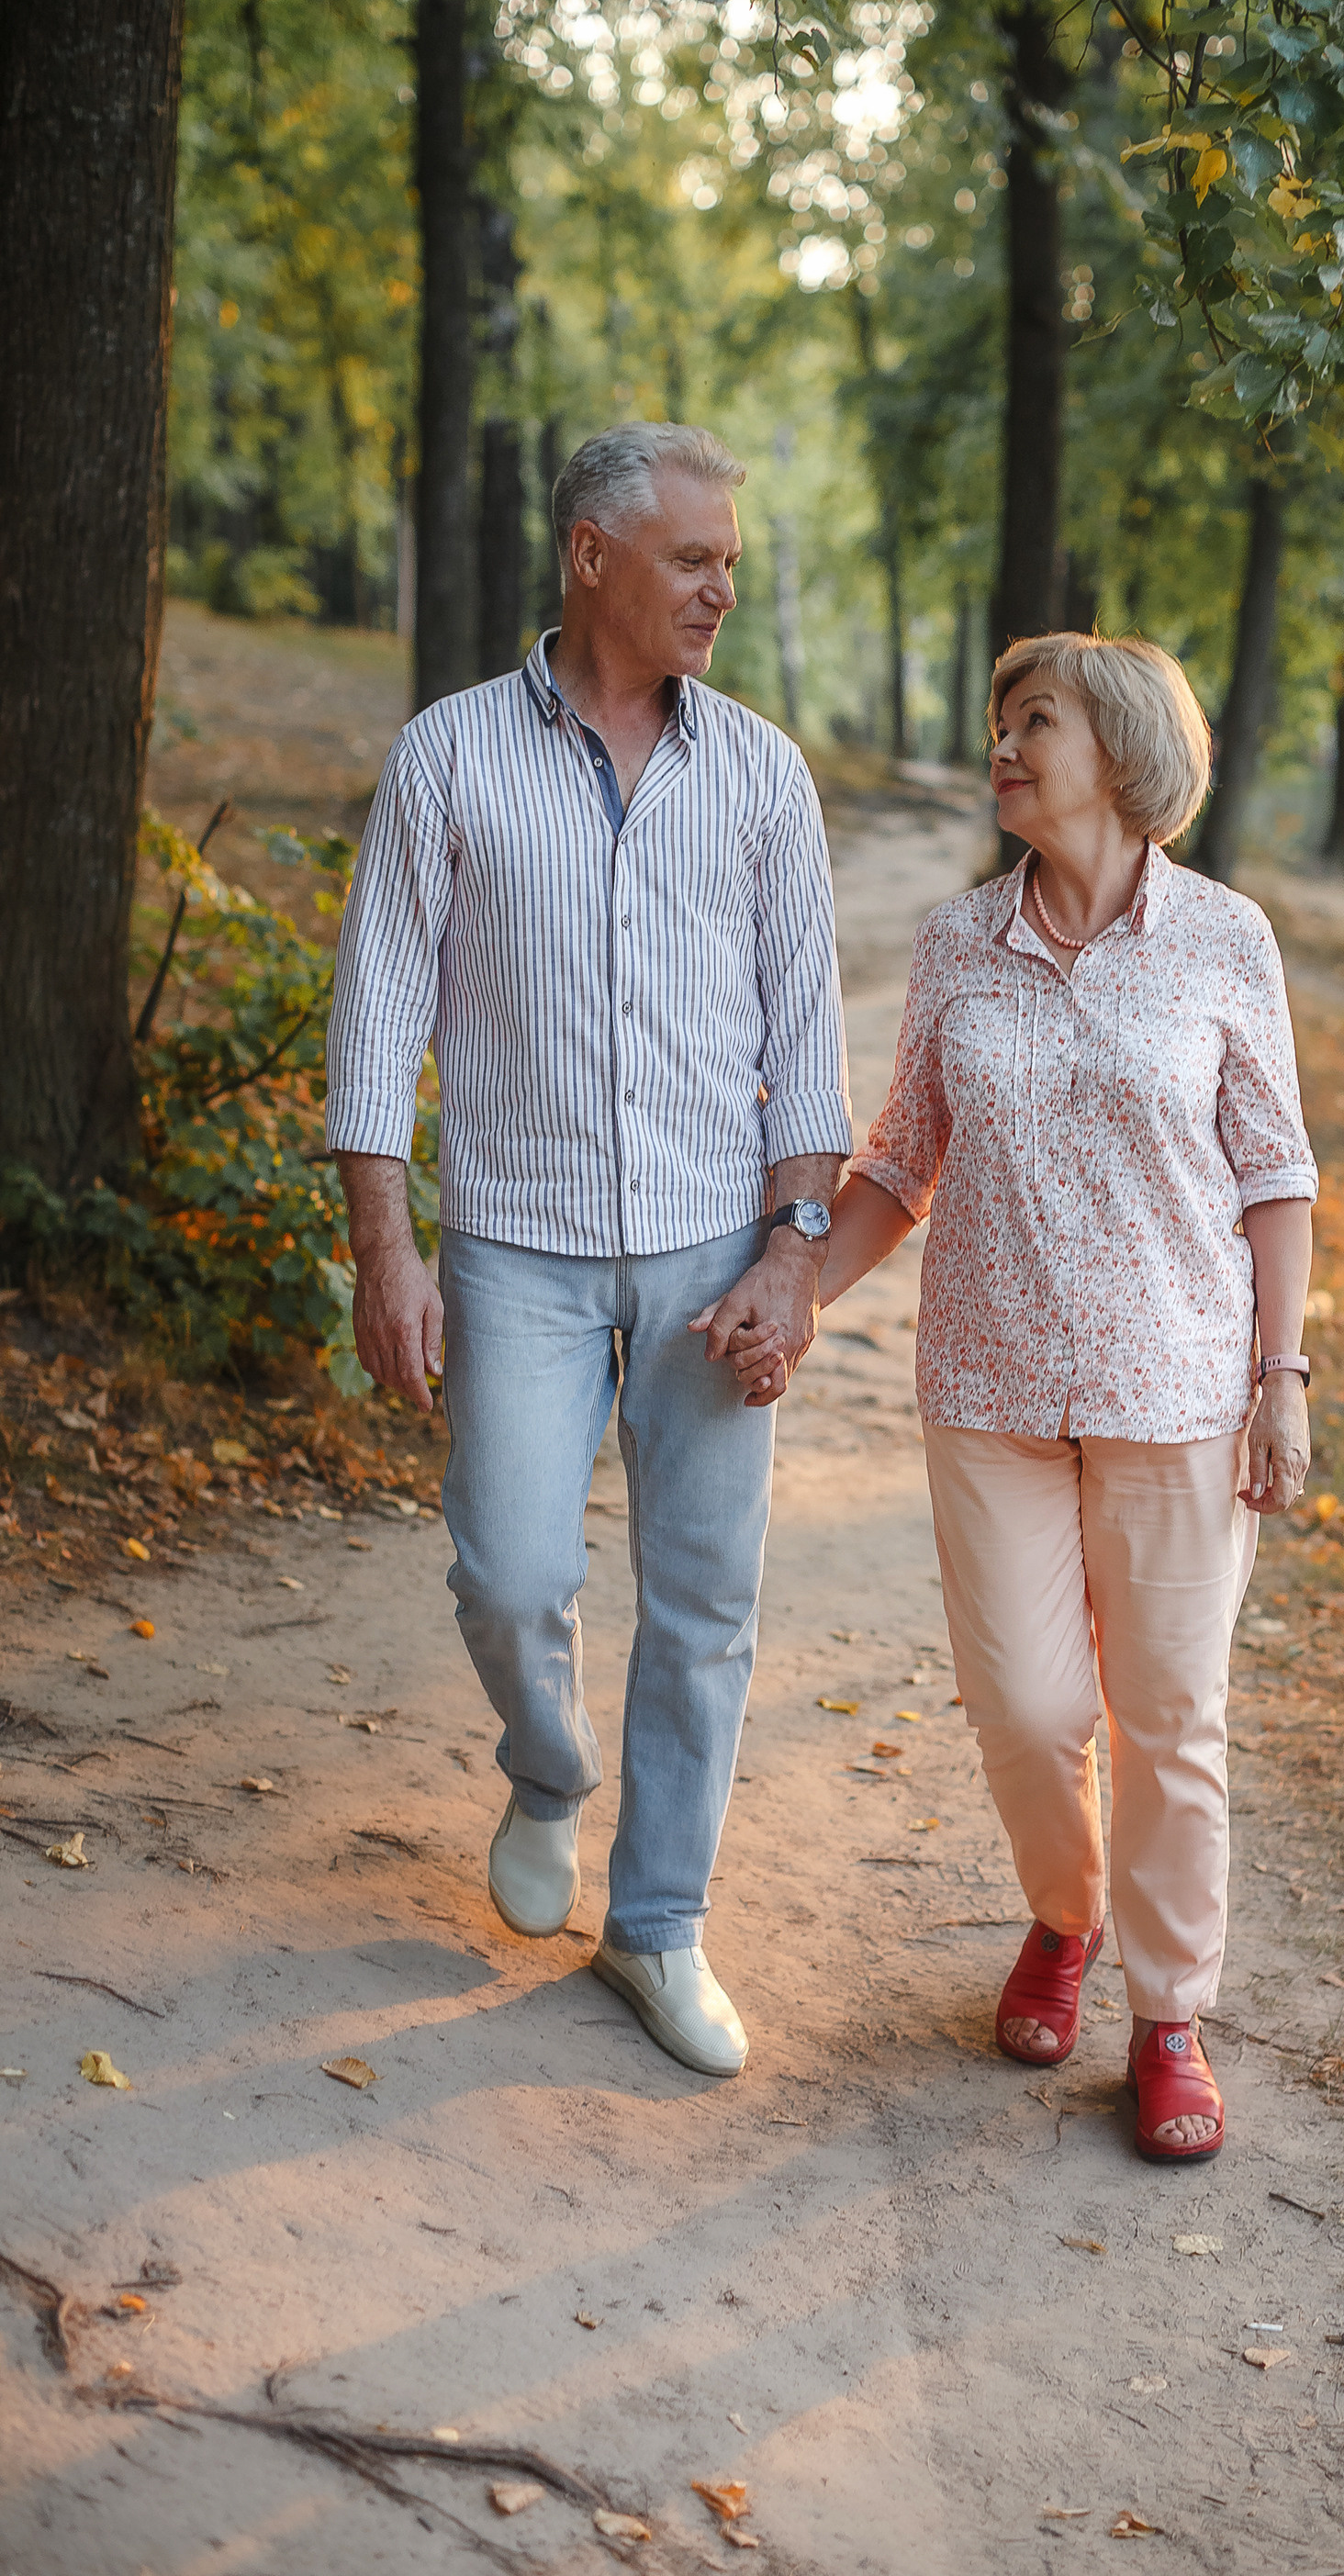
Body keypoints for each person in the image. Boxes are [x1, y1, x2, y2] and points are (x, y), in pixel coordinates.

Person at [732, 632, 1316, 2162]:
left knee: (1170, 1716)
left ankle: (1169, 2015)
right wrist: (797, 1285)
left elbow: (1276, 1177)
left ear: (1120, 751)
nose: (1002, 745)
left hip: (1180, 1393)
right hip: (988, 1389)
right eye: (1000, 720)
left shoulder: (1226, 942)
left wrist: (1282, 1376)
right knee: (1031, 1706)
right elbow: (899, 1162)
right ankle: (1065, 1917)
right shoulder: (955, 945)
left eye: (1031, 721)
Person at [323, 421, 851, 2079]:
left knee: (704, 1603)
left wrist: (793, 1251)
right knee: (511, 1570)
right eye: (692, 560)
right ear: (592, 557)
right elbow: (376, 1017)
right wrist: (385, 1249)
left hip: (711, 1251)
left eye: (732, 566)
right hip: (516, 1247)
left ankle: (660, 1926)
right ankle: (546, 1770)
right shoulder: (450, 757)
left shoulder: (763, 774)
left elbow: (812, 1051)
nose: (720, 590)